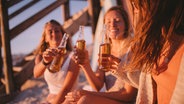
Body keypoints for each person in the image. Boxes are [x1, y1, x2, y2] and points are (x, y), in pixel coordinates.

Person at [65, 6, 139, 104]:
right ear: (104, 26)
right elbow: (98, 86)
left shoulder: (133, 49)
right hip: (108, 99)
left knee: (85, 99)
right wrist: (85, 65)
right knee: (69, 101)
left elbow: (128, 95)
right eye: (108, 22)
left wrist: (87, 93)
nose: (112, 24)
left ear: (126, 24)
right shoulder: (105, 50)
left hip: (127, 101)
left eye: (117, 20)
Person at [120, 0, 184, 103]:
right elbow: (148, 87)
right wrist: (119, 68)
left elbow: (127, 94)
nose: (134, 12)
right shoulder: (157, 46)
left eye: (137, 5)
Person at [33, 19, 80, 104]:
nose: (54, 34)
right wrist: (45, 61)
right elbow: (36, 74)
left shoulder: (73, 57)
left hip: (70, 100)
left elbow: (66, 89)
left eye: (57, 31)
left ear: (62, 35)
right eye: (50, 32)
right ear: (45, 38)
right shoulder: (41, 57)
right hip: (51, 100)